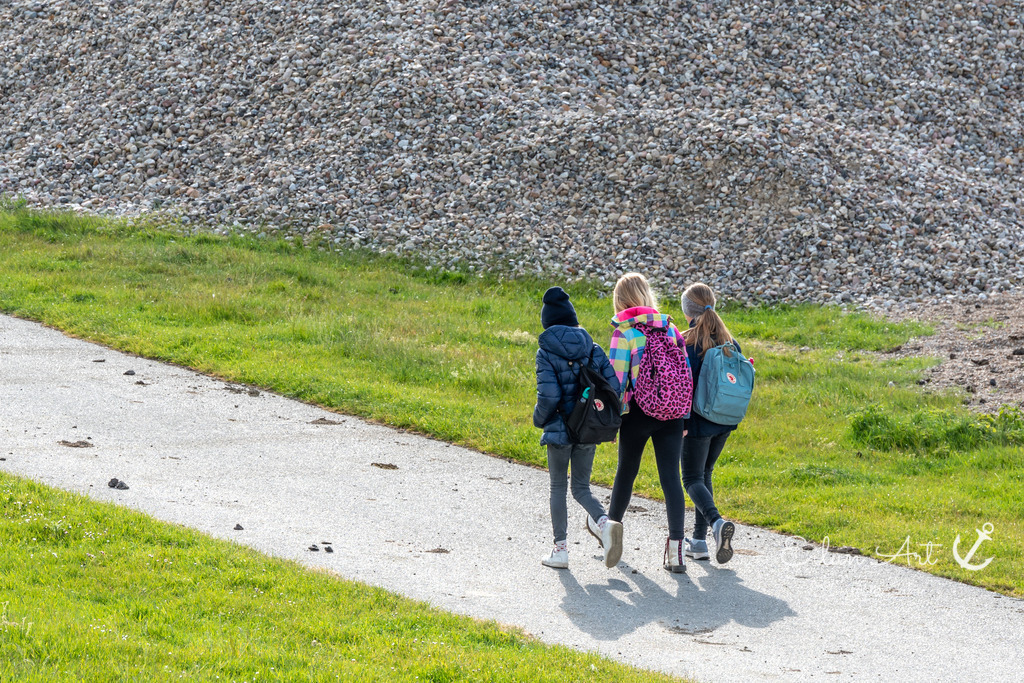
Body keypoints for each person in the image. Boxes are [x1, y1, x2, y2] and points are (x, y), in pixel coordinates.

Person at [606, 273, 692, 573]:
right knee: (671, 479)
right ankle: (677, 552)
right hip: (671, 413)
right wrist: (684, 415)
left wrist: (612, 422)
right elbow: (685, 374)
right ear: (647, 295)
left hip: (637, 414)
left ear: (620, 300)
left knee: (626, 473)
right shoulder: (670, 327)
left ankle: (611, 532)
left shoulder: (625, 332)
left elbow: (616, 381)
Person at [533, 286, 623, 569]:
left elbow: (548, 397)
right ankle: (605, 523)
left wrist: (539, 419)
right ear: (573, 320)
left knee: (558, 486)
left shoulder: (545, 351)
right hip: (589, 428)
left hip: (560, 429)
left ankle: (560, 551)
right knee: (581, 487)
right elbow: (614, 388)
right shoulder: (593, 349)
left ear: (547, 322)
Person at [680, 283, 739, 565]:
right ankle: (700, 542)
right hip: (724, 420)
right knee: (705, 474)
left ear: (687, 311)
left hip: (697, 422)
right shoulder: (730, 342)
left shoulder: (687, 342)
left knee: (691, 478)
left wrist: (682, 422)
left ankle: (716, 524)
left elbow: (683, 386)